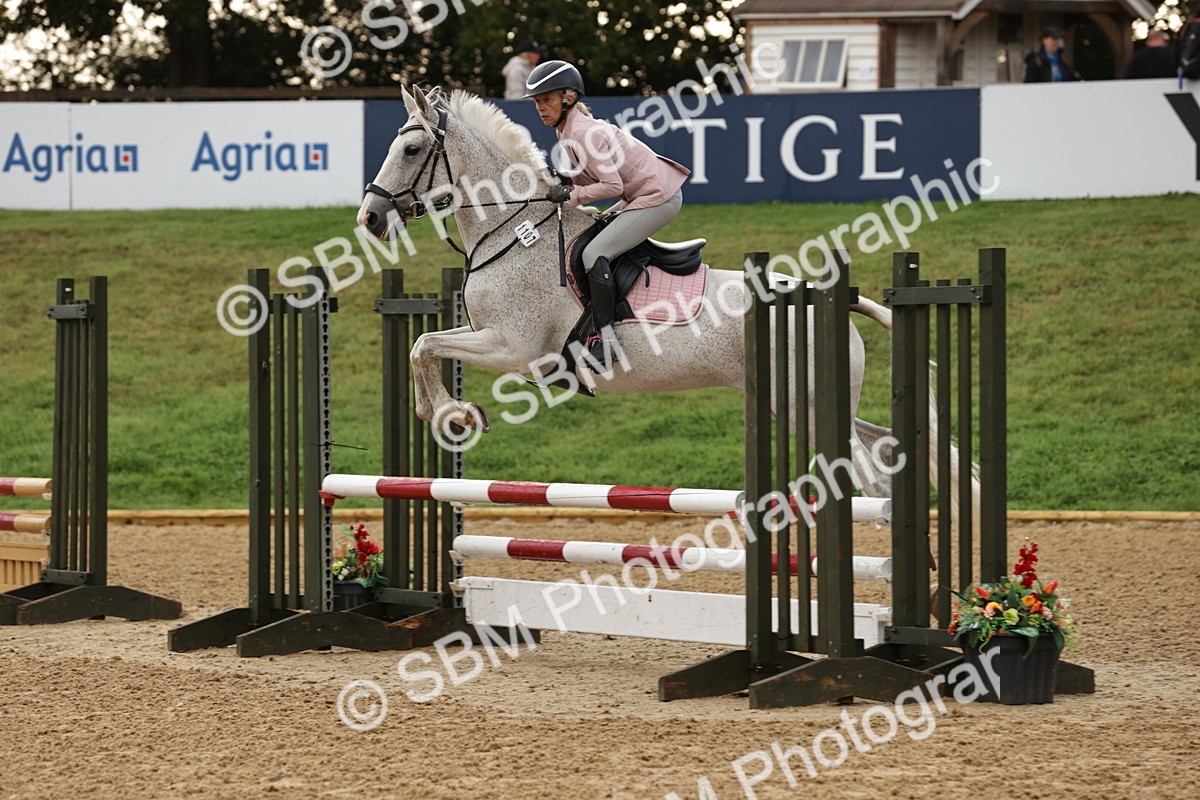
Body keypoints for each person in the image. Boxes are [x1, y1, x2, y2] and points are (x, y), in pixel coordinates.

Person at [525, 60, 690, 372]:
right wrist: (566, 179)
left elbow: (611, 185)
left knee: (594, 252)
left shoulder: (585, 133)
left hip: (658, 197)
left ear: (567, 98)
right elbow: (593, 177)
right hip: (641, 195)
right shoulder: (568, 131)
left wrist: (571, 195)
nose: (540, 108)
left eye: (546, 100)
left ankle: (607, 343)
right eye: (536, 102)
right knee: (595, 235)